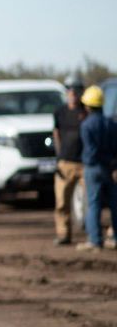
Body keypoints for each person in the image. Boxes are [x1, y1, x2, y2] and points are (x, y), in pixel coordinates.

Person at [77, 85, 117, 251]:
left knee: (94, 204)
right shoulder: (110, 124)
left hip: (93, 168)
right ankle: (114, 238)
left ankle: (95, 240)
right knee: (114, 204)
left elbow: (90, 150)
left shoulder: (86, 125)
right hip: (109, 168)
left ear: (87, 105)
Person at [53, 76, 88, 245]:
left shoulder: (86, 112)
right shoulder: (59, 112)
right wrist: (59, 158)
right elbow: (56, 134)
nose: (72, 92)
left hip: (85, 163)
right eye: (69, 89)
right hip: (65, 163)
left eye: (76, 89)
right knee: (62, 202)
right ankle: (63, 234)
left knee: (90, 202)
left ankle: (92, 235)